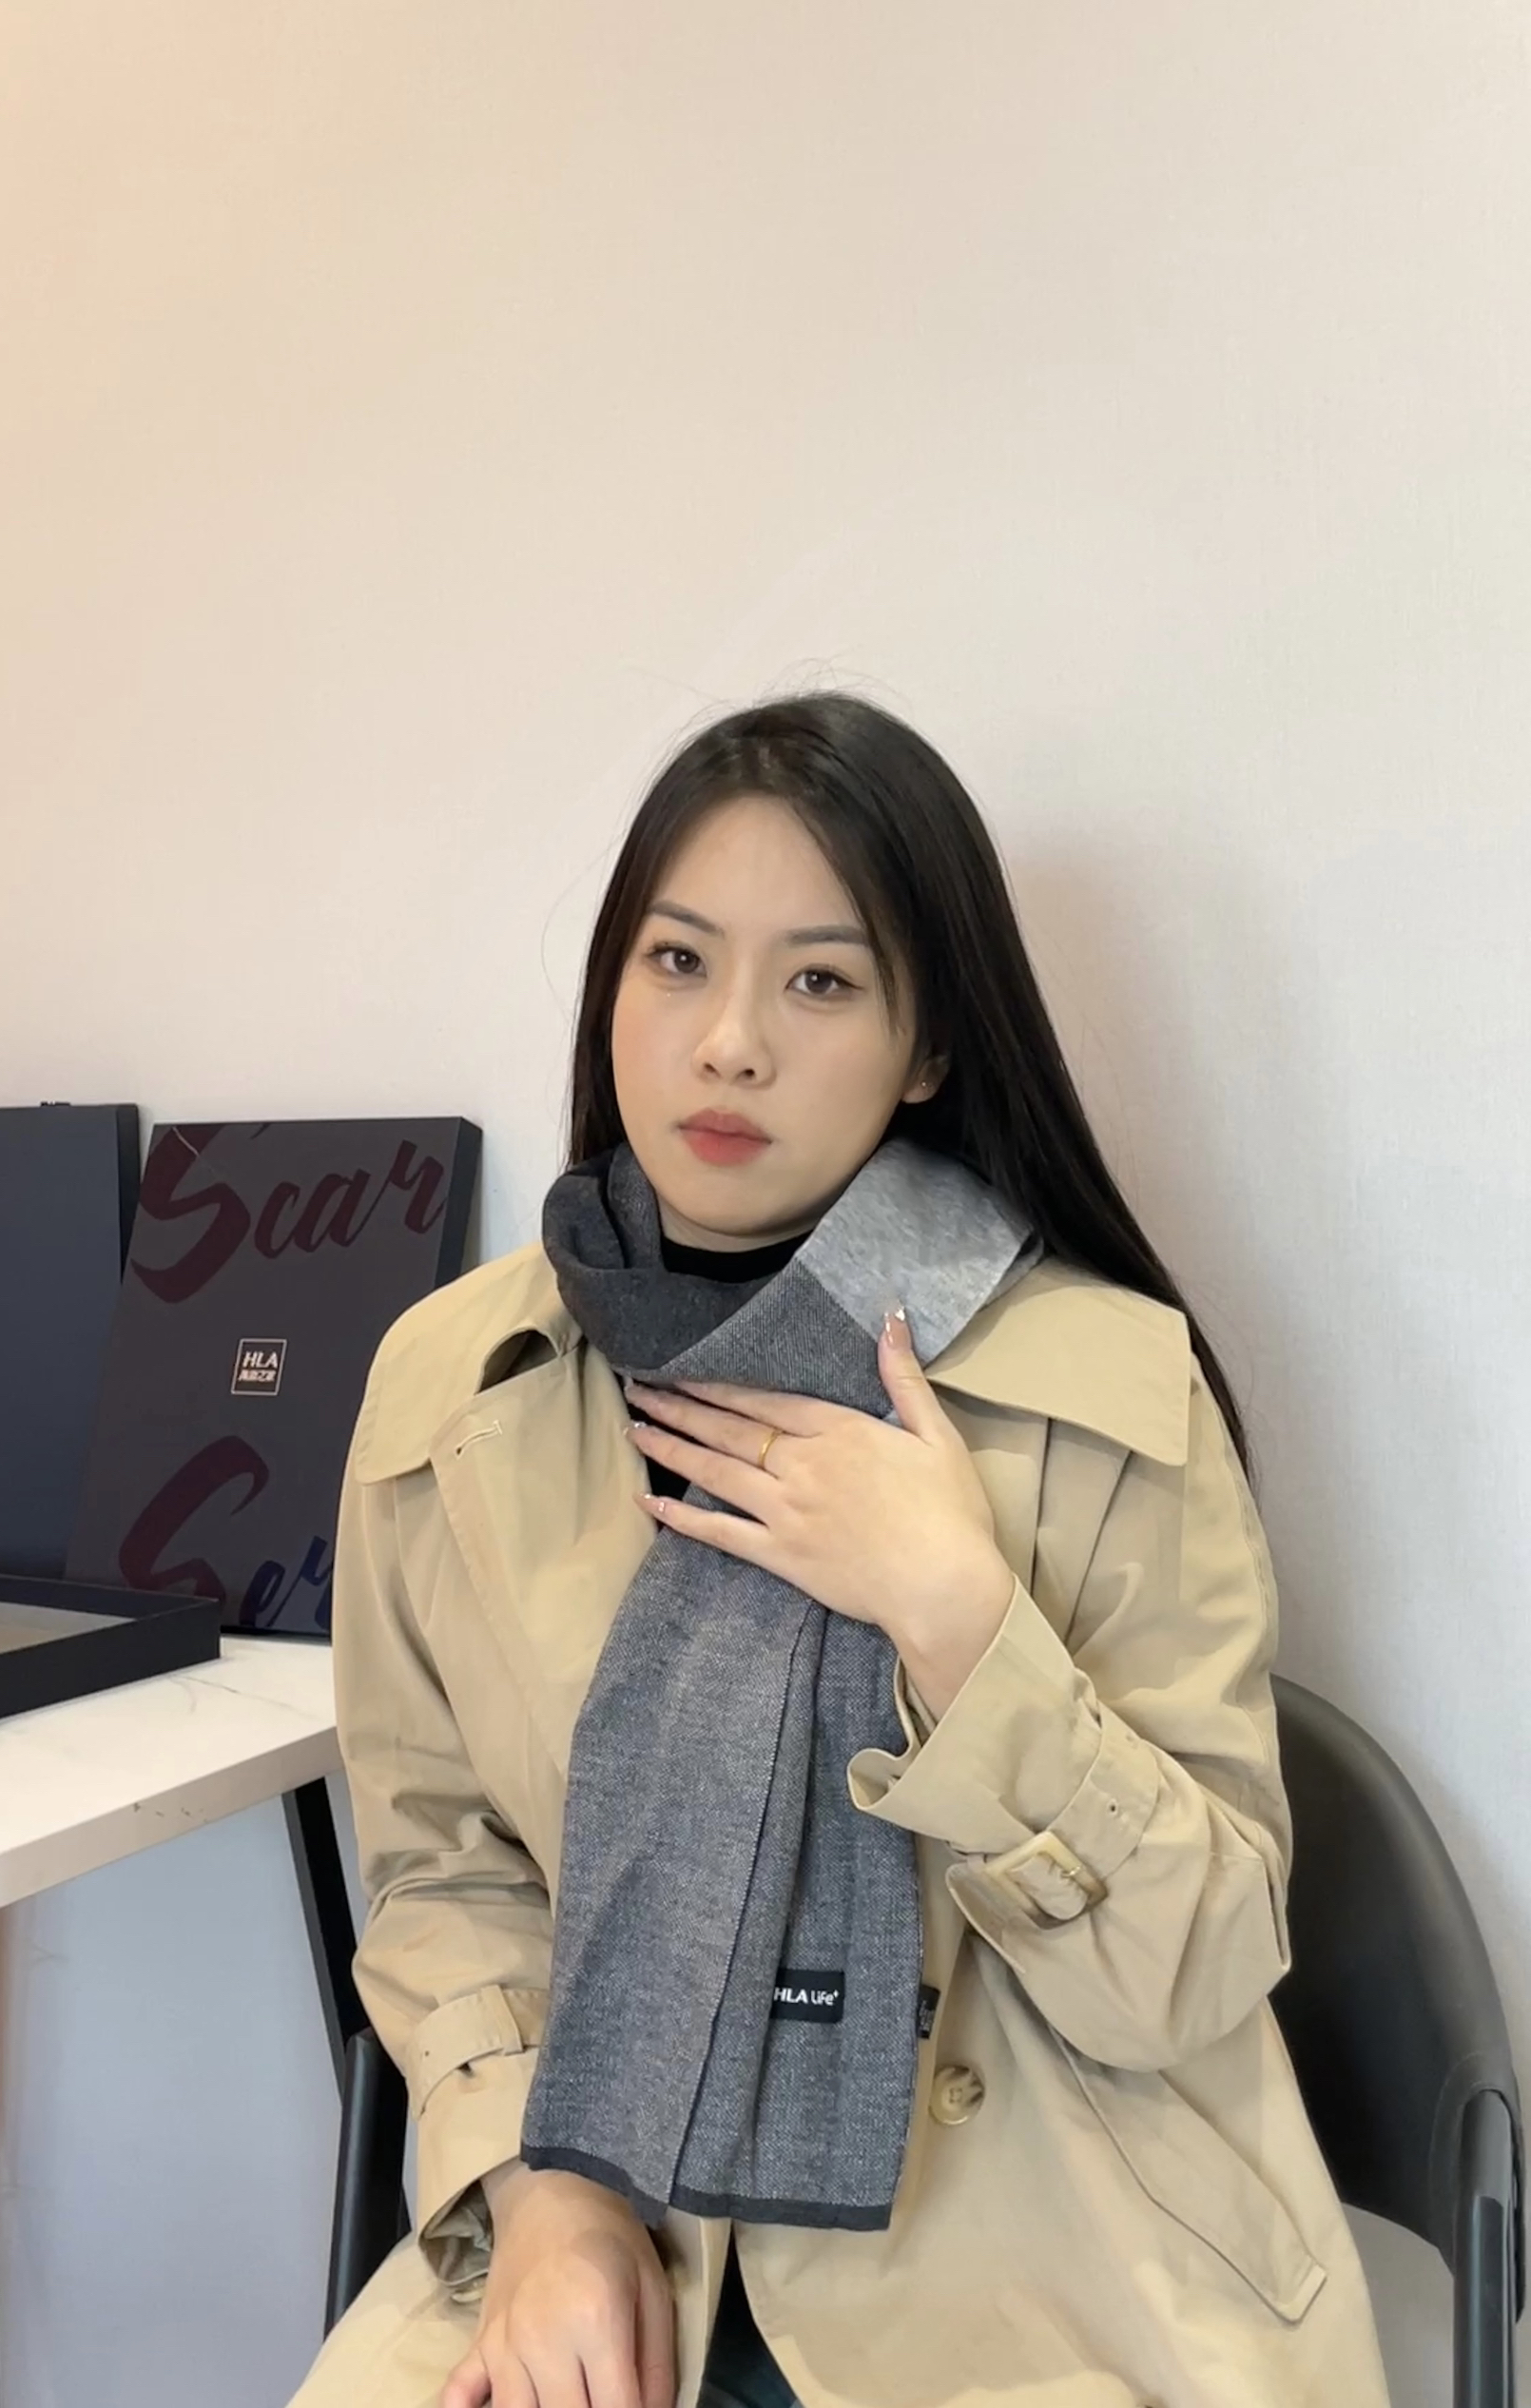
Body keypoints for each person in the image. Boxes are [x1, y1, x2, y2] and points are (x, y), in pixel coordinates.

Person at [289, 693, 1389, 2408]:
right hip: (615, 2223)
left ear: (928, 1044)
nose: (729, 1043)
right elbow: (447, 1873)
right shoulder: (455, 1388)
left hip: (1053, 2264)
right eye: (677, 962)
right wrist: (546, 2190)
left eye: (819, 982)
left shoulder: (1106, 1390)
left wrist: (960, 1619)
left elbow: (1197, 1969)